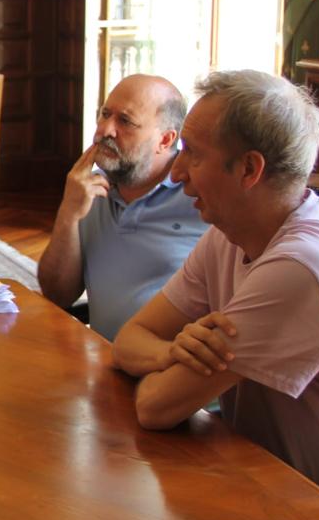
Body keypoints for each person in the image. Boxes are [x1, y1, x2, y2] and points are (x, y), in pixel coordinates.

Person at [112, 70, 319, 502]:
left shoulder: (302, 268)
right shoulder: (225, 235)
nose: (177, 172)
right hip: (257, 484)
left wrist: (161, 368)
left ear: (249, 169)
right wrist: (172, 351)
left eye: (193, 155)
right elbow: (128, 340)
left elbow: (157, 406)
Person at [37, 74, 207, 340]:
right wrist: (69, 215)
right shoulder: (90, 191)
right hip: (107, 366)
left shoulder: (201, 198)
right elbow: (57, 294)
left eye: (125, 121)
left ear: (165, 140)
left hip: (169, 371)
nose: (105, 130)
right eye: (105, 114)